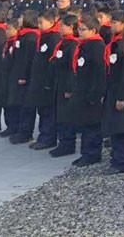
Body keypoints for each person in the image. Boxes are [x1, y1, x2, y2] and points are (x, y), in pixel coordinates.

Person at [101, 9, 124, 174]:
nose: (112, 25)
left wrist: (122, 96)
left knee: (122, 127)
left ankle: (122, 161)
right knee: (114, 125)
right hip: (112, 88)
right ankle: (116, 158)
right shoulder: (114, 42)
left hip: (123, 91)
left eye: (115, 23)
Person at [67, 13, 107, 167]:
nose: (80, 32)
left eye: (84, 30)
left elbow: (99, 72)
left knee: (92, 125)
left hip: (91, 92)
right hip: (81, 90)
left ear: (93, 30)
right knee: (84, 123)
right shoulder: (83, 45)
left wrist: (95, 94)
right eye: (80, 29)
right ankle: (86, 152)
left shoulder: (96, 46)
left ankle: (92, 154)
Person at [24, 9, 60, 149]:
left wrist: (48, 81)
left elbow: (51, 61)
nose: (39, 25)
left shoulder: (53, 37)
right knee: (42, 109)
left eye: (41, 22)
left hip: (47, 81)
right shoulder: (43, 36)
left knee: (48, 111)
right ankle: (43, 135)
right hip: (38, 79)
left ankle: (48, 137)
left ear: (51, 22)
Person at [48, 13, 79, 157]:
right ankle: (62, 141)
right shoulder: (63, 42)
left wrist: (69, 88)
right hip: (58, 83)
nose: (60, 28)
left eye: (63, 26)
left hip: (66, 85)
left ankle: (68, 143)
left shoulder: (72, 44)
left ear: (71, 27)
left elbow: (71, 68)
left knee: (66, 116)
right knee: (59, 114)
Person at [9, 11, 40, 144]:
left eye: (22, 18)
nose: (20, 20)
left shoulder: (31, 36)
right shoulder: (23, 35)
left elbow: (28, 59)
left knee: (26, 105)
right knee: (19, 103)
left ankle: (26, 132)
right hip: (17, 72)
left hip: (25, 77)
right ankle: (19, 129)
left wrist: (24, 76)